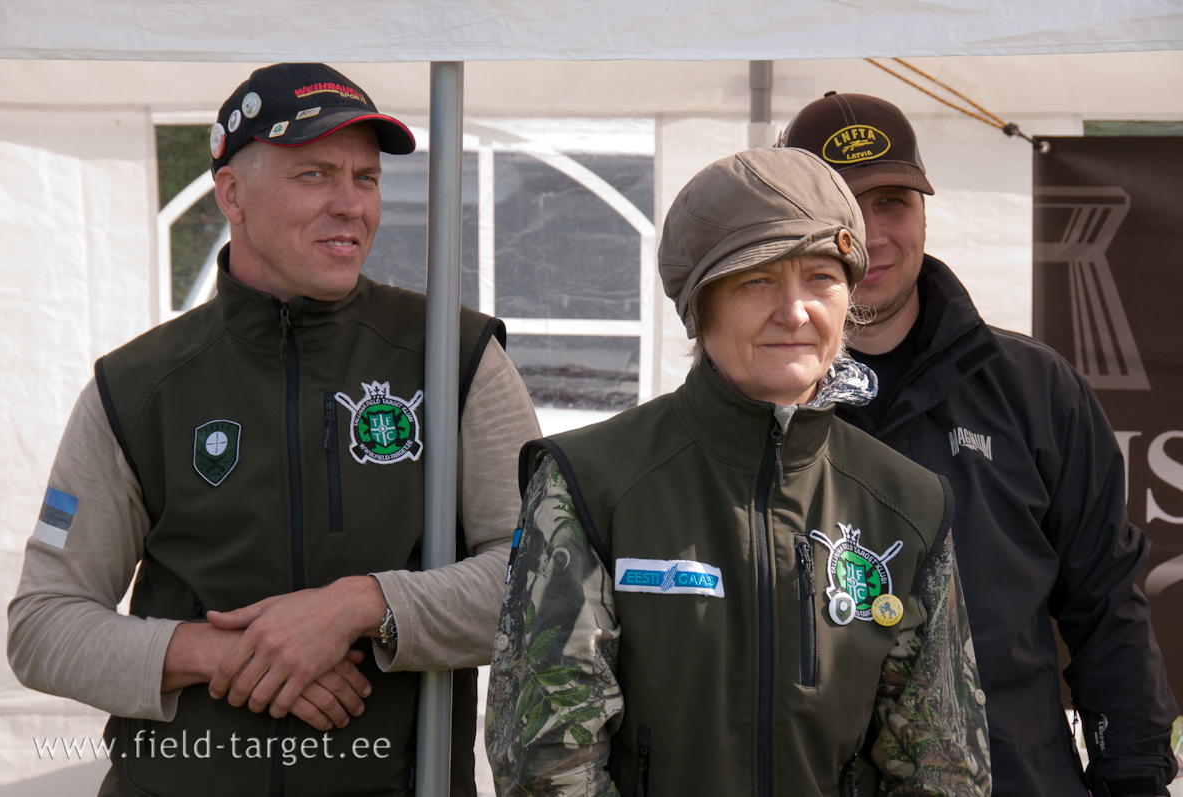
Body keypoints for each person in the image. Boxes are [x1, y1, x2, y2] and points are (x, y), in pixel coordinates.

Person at [7, 63, 540, 796]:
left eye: (366, 179)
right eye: (315, 175)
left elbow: (540, 578)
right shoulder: (137, 386)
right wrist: (222, 654)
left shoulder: (456, 356)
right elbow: (44, 625)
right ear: (232, 194)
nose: (351, 205)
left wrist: (360, 606)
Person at [486, 147, 992, 796]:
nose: (795, 310)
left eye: (821, 278)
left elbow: (941, 768)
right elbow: (547, 763)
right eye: (757, 281)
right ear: (701, 304)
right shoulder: (592, 482)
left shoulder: (908, 504)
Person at [782, 92, 1179, 797]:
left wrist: (1135, 779)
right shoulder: (756, 403)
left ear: (926, 212)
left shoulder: (1036, 390)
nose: (871, 236)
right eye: (842, 208)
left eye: (893, 203)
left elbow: (1107, 607)